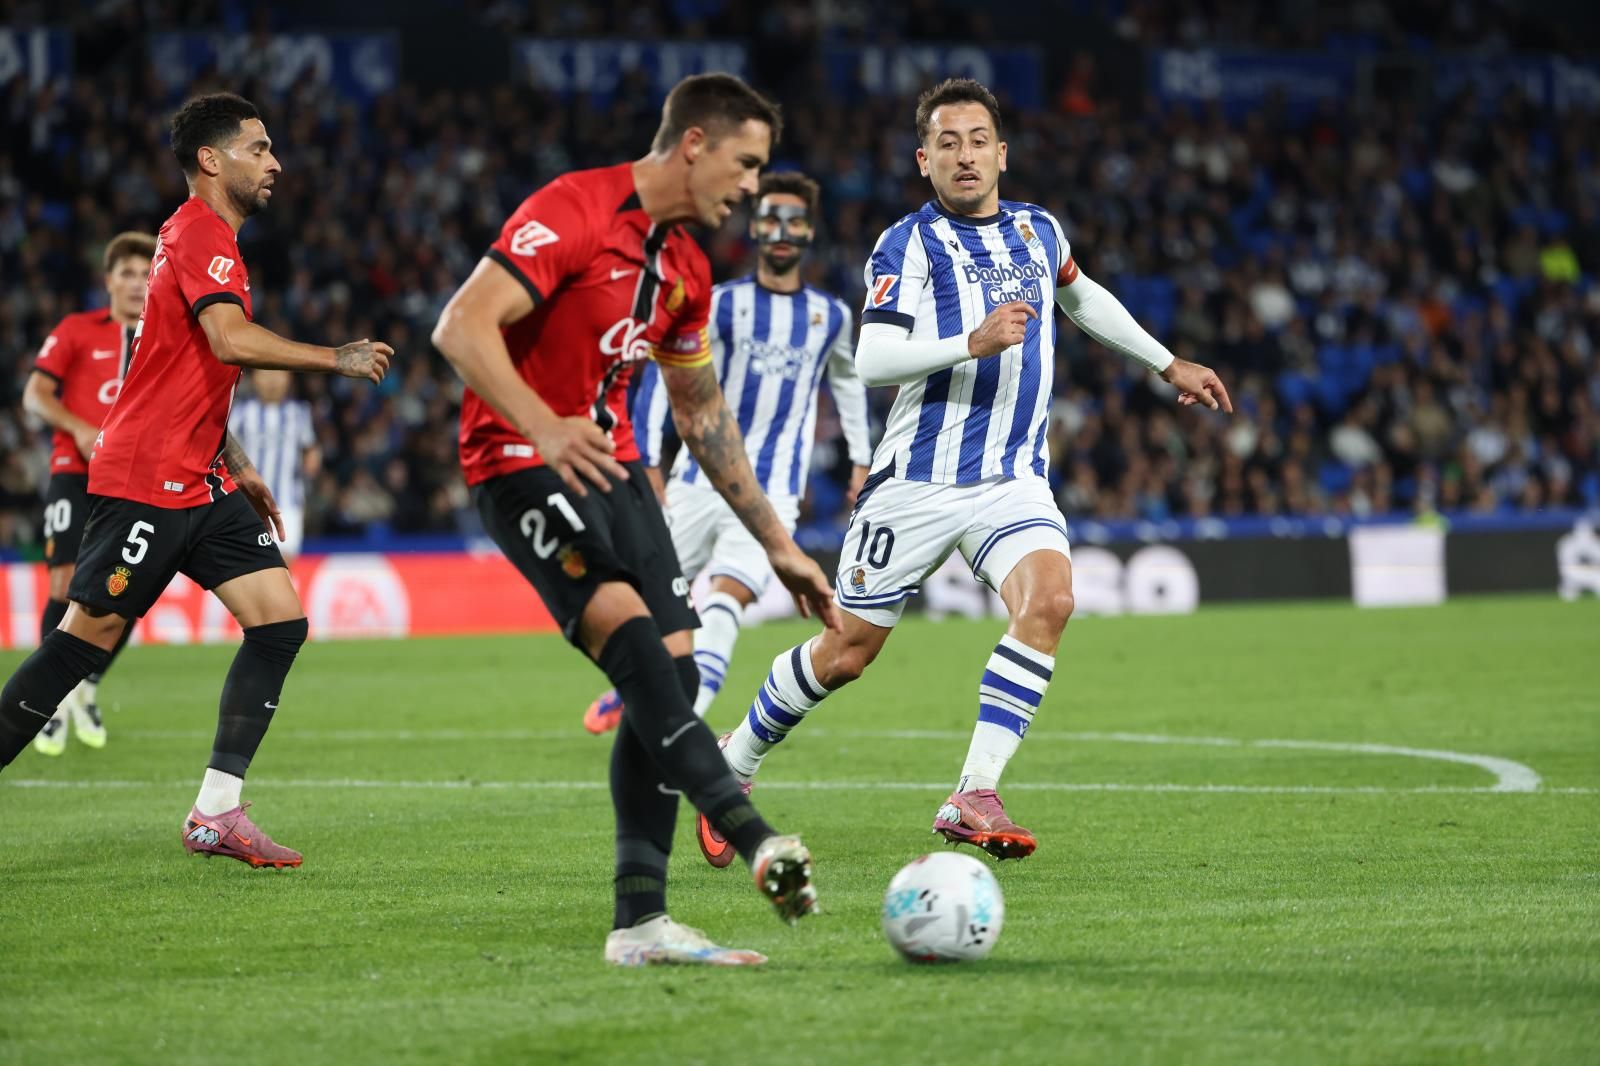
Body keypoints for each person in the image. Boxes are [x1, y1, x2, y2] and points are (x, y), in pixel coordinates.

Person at [707, 78, 1233, 862]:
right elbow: (876, 355)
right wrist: (971, 343)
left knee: (1050, 600)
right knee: (847, 651)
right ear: (924, 161)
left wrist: (1166, 363)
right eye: (947, 143)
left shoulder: (1039, 232)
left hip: (1012, 479)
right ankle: (730, 766)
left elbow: (1082, 300)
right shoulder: (907, 244)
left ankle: (974, 792)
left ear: (1002, 154)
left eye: (978, 140)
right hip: (916, 481)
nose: (965, 155)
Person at [432, 73, 834, 967]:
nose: (752, 187)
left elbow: (700, 415)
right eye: (746, 163)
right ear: (695, 143)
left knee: (677, 681)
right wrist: (541, 424)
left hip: (613, 474)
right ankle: (758, 837)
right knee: (637, 654)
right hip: (518, 464)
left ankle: (641, 923)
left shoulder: (688, 267)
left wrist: (780, 546)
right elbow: (462, 328)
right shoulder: (574, 208)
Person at [0, 92, 392, 871]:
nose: (275, 161)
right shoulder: (199, 231)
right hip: (144, 480)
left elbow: (189, 371)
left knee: (279, 620)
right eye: (259, 147)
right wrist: (333, 358)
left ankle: (216, 811)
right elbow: (228, 338)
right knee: (84, 642)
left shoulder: (204, 240)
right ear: (212, 160)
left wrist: (239, 467)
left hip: (201, 481)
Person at [581, 170, 872, 744]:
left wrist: (861, 461)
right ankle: (638, 686)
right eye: (771, 218)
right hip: (695, 479)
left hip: (774, 494)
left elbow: (849, 384)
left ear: (810, 230)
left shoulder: (831, 316)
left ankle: (682, 721)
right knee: (646, 599)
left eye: (794, 220)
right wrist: (651, 463)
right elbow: (668, 380)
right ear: (755, 227)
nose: (782, 231)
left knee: (727, 597)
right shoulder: (720, 303)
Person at [22, 231, 155, 755]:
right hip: (74, 473)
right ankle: (45, 703)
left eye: (146, 274)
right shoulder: (77, 330)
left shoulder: (161, 339)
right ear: (109, 281)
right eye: (126, 273)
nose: (136, 284)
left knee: (124, 593)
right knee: (63, 583)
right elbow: (35, 394)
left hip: (132, 481)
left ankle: (88, 689)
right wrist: (78, 429)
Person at [228, 369, 319, 559]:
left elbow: (310, 448)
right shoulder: (241, 412)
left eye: (278, 374)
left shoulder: (299, 412)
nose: (272, 381)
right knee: (245, 563)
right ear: (253, 379)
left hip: (287, 502)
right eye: (265, 374)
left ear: (289, 378)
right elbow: (225, 448)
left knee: (284, 564)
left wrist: (312, 460)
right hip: (247, 502)